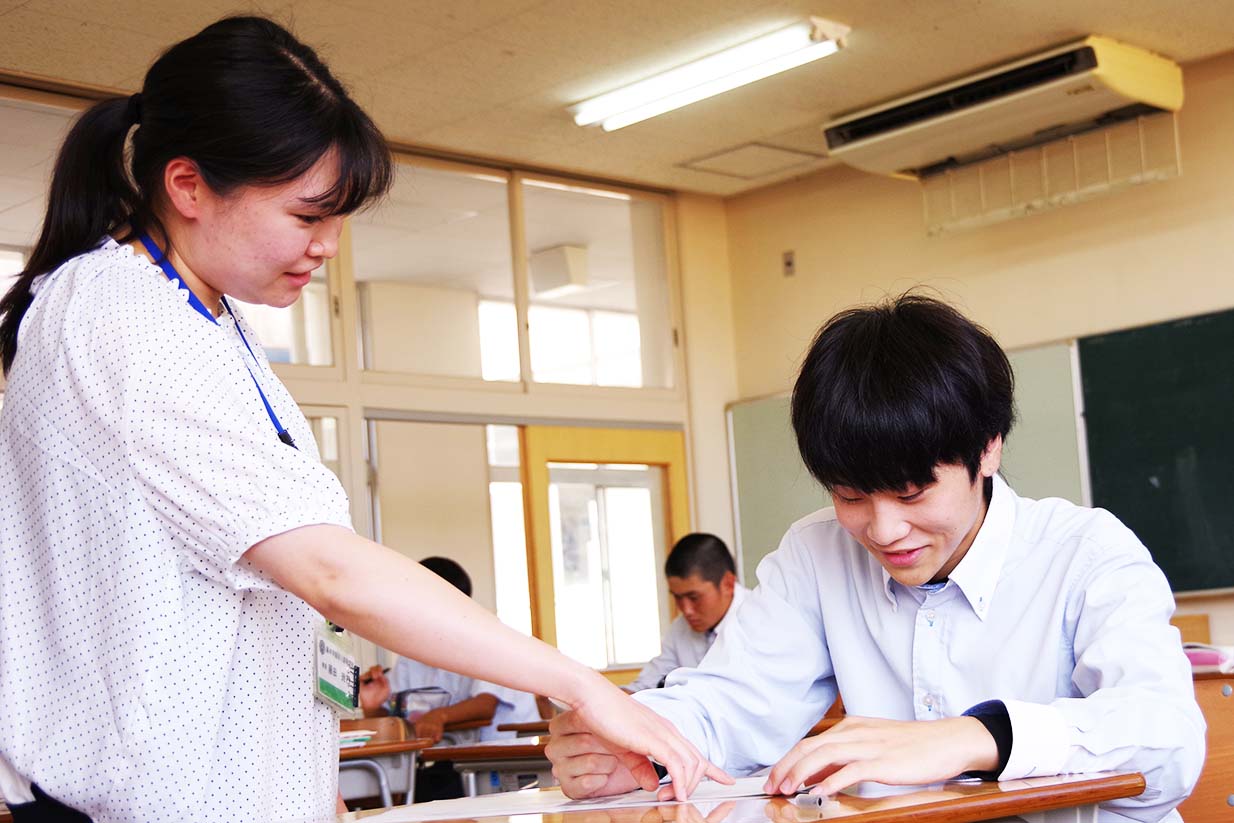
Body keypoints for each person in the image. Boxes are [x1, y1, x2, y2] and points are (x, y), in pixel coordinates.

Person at [0, 16, 723, 823]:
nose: (329, 247)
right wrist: (576, 680)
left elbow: (254, 604)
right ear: (189, 186)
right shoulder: (126, 323)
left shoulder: (198, 315)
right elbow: (329, 569)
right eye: (308, 216)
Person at [546, 294, 1206, 821]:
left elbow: (1169, 738)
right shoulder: (816, 552)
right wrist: (632, 735)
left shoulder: (1085, 551)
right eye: (851, 494)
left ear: (988, 448)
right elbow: (733, 702)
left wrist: (977, 737)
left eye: (912, 491)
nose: (884, 529)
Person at [358, 557, 542, 801]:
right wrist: (373, 707)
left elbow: (485, 706)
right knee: (397, 795)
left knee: (422, 796)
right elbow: (396, 723)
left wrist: (439, 716)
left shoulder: (486, 637)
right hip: (453, 763)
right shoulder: (413, 650)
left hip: (507, 763)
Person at [626, 534, 749, 692]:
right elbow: (644, 687)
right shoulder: (680, 627)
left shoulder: (761, 619)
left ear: (727, 584)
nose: (686, 610)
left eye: (694, 597)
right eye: (677, 597)